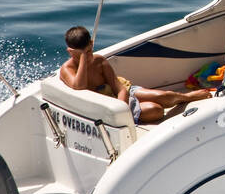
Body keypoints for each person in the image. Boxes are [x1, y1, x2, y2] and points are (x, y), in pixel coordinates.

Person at [59, 26, 211, 124]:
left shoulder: (99, 61)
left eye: (89, 51)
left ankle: (186, 97)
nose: (88, 55)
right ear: (70, 52)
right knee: (156, 110)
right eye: (83, 54)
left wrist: (121, 108)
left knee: (164, 96)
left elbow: (120, 89)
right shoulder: (67, 69)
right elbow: (79, 87)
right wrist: (84, 60)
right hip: (105, 105)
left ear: (92, 44)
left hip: (120, 98)